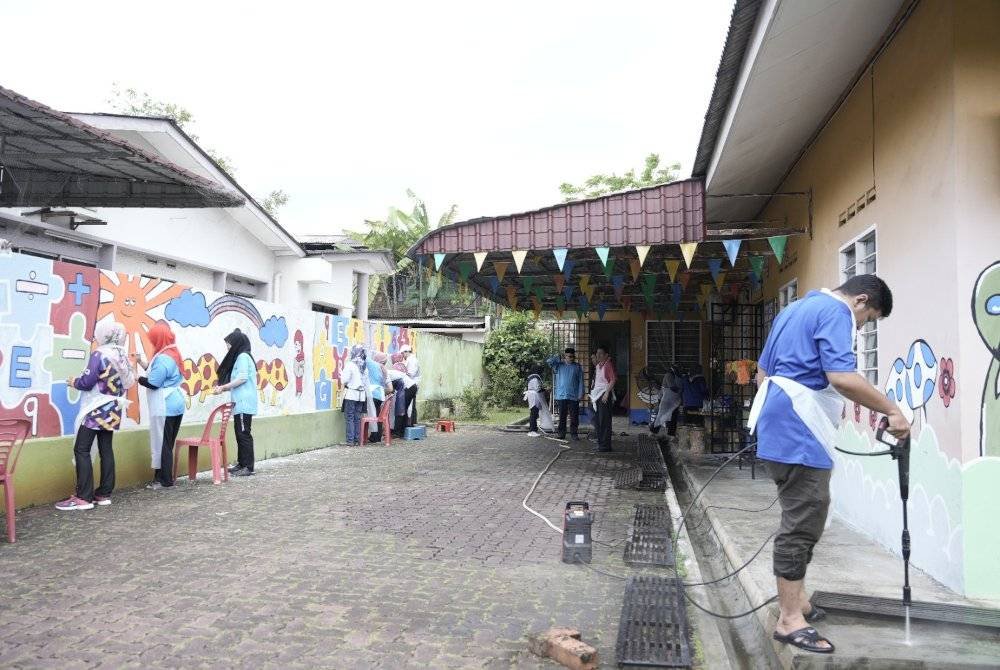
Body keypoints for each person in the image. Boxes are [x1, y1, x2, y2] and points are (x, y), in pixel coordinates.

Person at [748, 275, 909, 654]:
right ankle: (789, 620)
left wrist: (778, 416)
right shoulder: (836, 313)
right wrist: (892, 410)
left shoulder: (794, 309)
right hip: (798, 429)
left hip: (778, 424)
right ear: (861, 301)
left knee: (806, 511)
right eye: (867, 319)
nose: (861, 326)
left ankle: (798, 599)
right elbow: (842, 377)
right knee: (803, 520)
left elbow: (762, 372)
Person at [56, 321, 136, 511]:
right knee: (105, 448)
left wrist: (73, 381)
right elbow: (129, 383)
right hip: (114, 408)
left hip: (96, 408)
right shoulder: (121, 355)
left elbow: (87, 381)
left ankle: (84, 497)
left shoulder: (99, 354)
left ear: (102, 335)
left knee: (81, 449)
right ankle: (104, 493)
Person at [135, 321, 185, 489]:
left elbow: (154, 382)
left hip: (166, 406)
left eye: (153, 339)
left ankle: (164, 481)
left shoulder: (164, 358)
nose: (152, 342)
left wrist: (137, 378)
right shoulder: (172, 352)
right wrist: (142, 363)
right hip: (175, 404)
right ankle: (162, 478)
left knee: (163, 444)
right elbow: (155, 371)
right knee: (166, 443)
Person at [213, 329, 258, 476]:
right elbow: (237, 381)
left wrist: (224, 387)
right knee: (239, 433)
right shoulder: (242, 356)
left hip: (244, 403)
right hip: (240, 403)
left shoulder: (243, 357)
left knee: (244, 434)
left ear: (237, 344)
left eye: (229, 344)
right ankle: (242, 463)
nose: (228, 348)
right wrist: (223, 389)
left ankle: (248, 467)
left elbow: (242, 378)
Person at [547, 348, 584, 441]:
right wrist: (558, 357)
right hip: (561, 395)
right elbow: (549, 361)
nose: (571, 358)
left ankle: (574, 433)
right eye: (569, 356)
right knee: (562, 416)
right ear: (565, 356)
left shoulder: (577, 366)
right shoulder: (559, 365)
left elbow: (581, 381)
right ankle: (561, 433)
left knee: (574, 416)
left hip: (574, 396)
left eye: (573, 356)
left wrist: (581, 393)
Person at [590, 344, 617, 453]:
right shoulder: (599, 365)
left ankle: (605, 446)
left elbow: (613, 379)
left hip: (604, 395)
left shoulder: (608, 364)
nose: (598, 355)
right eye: (597, 353)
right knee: (598, 421)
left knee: (604, 421)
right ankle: (601, 444)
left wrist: (606, 393)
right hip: (597, 395)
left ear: (606, 355)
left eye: (601, 353)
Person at [367, 352, 392, 442]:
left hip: (372, 393)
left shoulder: (373, 366)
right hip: (380, 395)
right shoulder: (385, 370)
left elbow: (365, 358)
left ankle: (373, 436)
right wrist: (381, 391)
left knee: (372, 415)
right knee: (377, 415)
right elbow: (390, 388)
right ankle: (377, 437)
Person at [387, 359, 416, 438]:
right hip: (412, 386)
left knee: (401, 408)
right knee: (404, 409)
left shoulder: (386, 374)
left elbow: (390, 389)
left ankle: (398, 432)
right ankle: (403, 430)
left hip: (409, 387)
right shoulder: (390, 372)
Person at [524, 368, 554, 437]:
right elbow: (538, 388)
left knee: (534, 413)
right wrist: (546, 390)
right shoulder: (535, 378)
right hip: (534, 397)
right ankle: (532, 430)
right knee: (533, 413)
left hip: (534, 396)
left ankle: (534, 429)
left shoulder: (532, 377)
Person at [652, 367, 681, 436]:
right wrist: (680, 391)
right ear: (674, 370)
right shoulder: (669, 375)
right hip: (665, 399)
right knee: (662, 415)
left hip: (672, 400)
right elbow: (672, 387)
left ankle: (671, 433)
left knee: (673, 416)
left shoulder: (676, 376)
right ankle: (654, 430)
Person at [401, 344, 420, 426]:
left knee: (410, 406)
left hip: (412, 385)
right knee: (410, 405)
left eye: (402, 353)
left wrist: (401, 373)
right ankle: (410, 423)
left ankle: (410, 424)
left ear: (406, 352)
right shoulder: (410, 359)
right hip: (411, 385)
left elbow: (411, 373)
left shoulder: (412, 360)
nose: (402, 356)